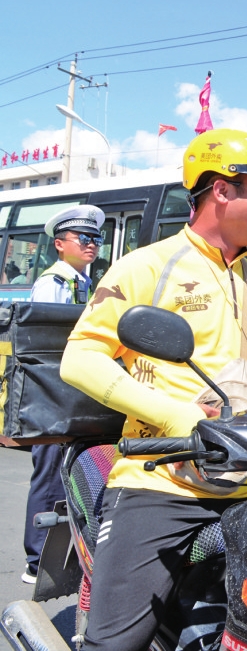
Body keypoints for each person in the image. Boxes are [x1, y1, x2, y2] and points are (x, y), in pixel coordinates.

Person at [60, 129, 247, 650]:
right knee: (112, 645)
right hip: (164, 482)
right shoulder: (147, 266)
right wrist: (178, 418)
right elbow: (80, 360)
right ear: (220, 190)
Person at [20, 205, 105, 585]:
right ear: (59, 244)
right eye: (83, 238)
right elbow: (47, 346)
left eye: (96, 238)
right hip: (54, 396)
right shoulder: (52, 283)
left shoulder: (86, 283)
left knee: (72, 472)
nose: (92, 244)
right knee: (50, 474)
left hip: (75, 393)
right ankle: (36, 559)